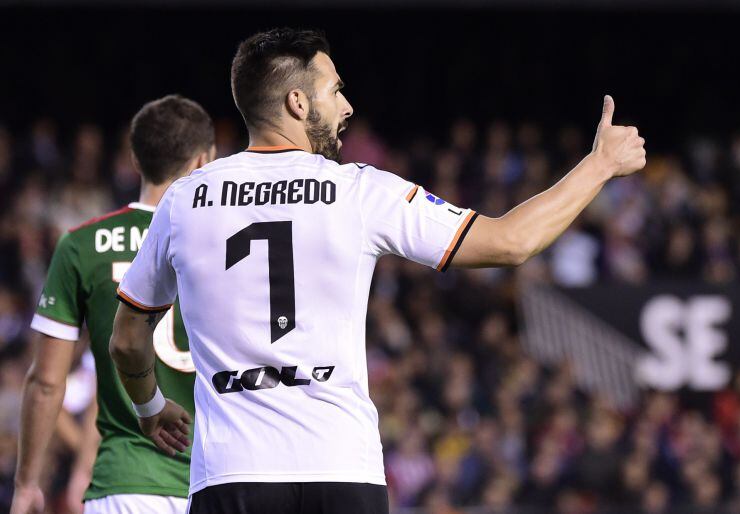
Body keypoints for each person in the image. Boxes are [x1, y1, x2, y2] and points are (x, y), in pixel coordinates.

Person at [108, 28, 646, 514]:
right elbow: (510, 242)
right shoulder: (359, 191)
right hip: (343, 470)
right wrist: (600, 164)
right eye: (334, 89)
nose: (347, 104)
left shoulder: (185, 201)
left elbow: (128, 341)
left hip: (232, 473)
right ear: (298, 102)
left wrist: (152, 408)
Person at [11, 95, 216, 514]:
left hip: (124, 484)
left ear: (135, 161)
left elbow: (47, 381)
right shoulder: (228, 243)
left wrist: (27, 482)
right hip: (216, 479)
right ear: (203, 162)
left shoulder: (82, 243)